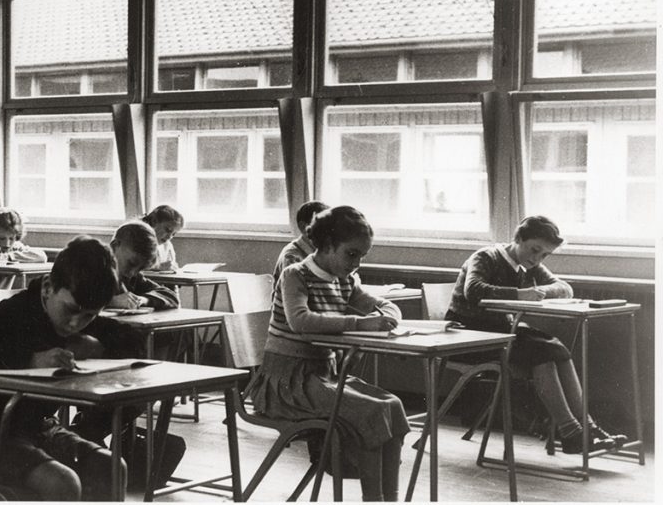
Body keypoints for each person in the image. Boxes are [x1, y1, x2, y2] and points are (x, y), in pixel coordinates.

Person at [0, 236, 144, 500]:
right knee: (62, 482)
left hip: (40, 429)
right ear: (48, 287)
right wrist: (29, 360)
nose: (75, 323)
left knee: (111, 467)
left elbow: (134, 342)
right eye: (71, 311)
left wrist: (95, 347)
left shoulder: (78, 307)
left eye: (89, 316)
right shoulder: (14, 312)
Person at [246, 206, 408, 502]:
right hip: (286, 383)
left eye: (362, 256)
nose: (356, 263)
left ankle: (390, 498)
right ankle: (374, 499)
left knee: (393, 404)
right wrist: (361, 323)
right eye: (351, 254)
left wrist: (389, 314)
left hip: (324, 376)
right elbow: (301, 321)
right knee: (371, 411)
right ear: (328, 246)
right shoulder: (296, 275)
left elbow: (383, 305)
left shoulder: (347, 280)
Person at [446, 214, 627, 454]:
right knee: (541, 351)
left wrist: (538, 290)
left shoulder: (529, 263)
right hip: (468, 337)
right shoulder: (486, 257)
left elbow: (564, 288)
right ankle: (571, 431)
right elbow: (474, 291)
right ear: (518, 238)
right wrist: (520, 294)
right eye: (534, 250)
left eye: (544, 255)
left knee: (556, 348)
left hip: (501, 333)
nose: (537, 258)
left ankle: (585, 427)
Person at [108, 219, 179, 311]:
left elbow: (170, 296)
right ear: (115, 246)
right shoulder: (90, 267)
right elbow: (83, 300)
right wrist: (111, 302)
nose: (132, 273)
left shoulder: (132, 277)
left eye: (140, 269)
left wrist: (142, 300)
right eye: (131, 263)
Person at [272, 200, 329, 291]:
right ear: (304, 227)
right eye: (323, 227)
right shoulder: (291, 257)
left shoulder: (321, 251)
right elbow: (292, 293)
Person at [140, 205, 184, 272]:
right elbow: (128, 268)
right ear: (154, 222)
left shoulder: (166, 245)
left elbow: (171, 264)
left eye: (173, 234)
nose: (169, 237)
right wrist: (157, 267)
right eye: (168, 230)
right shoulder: (137, 240)